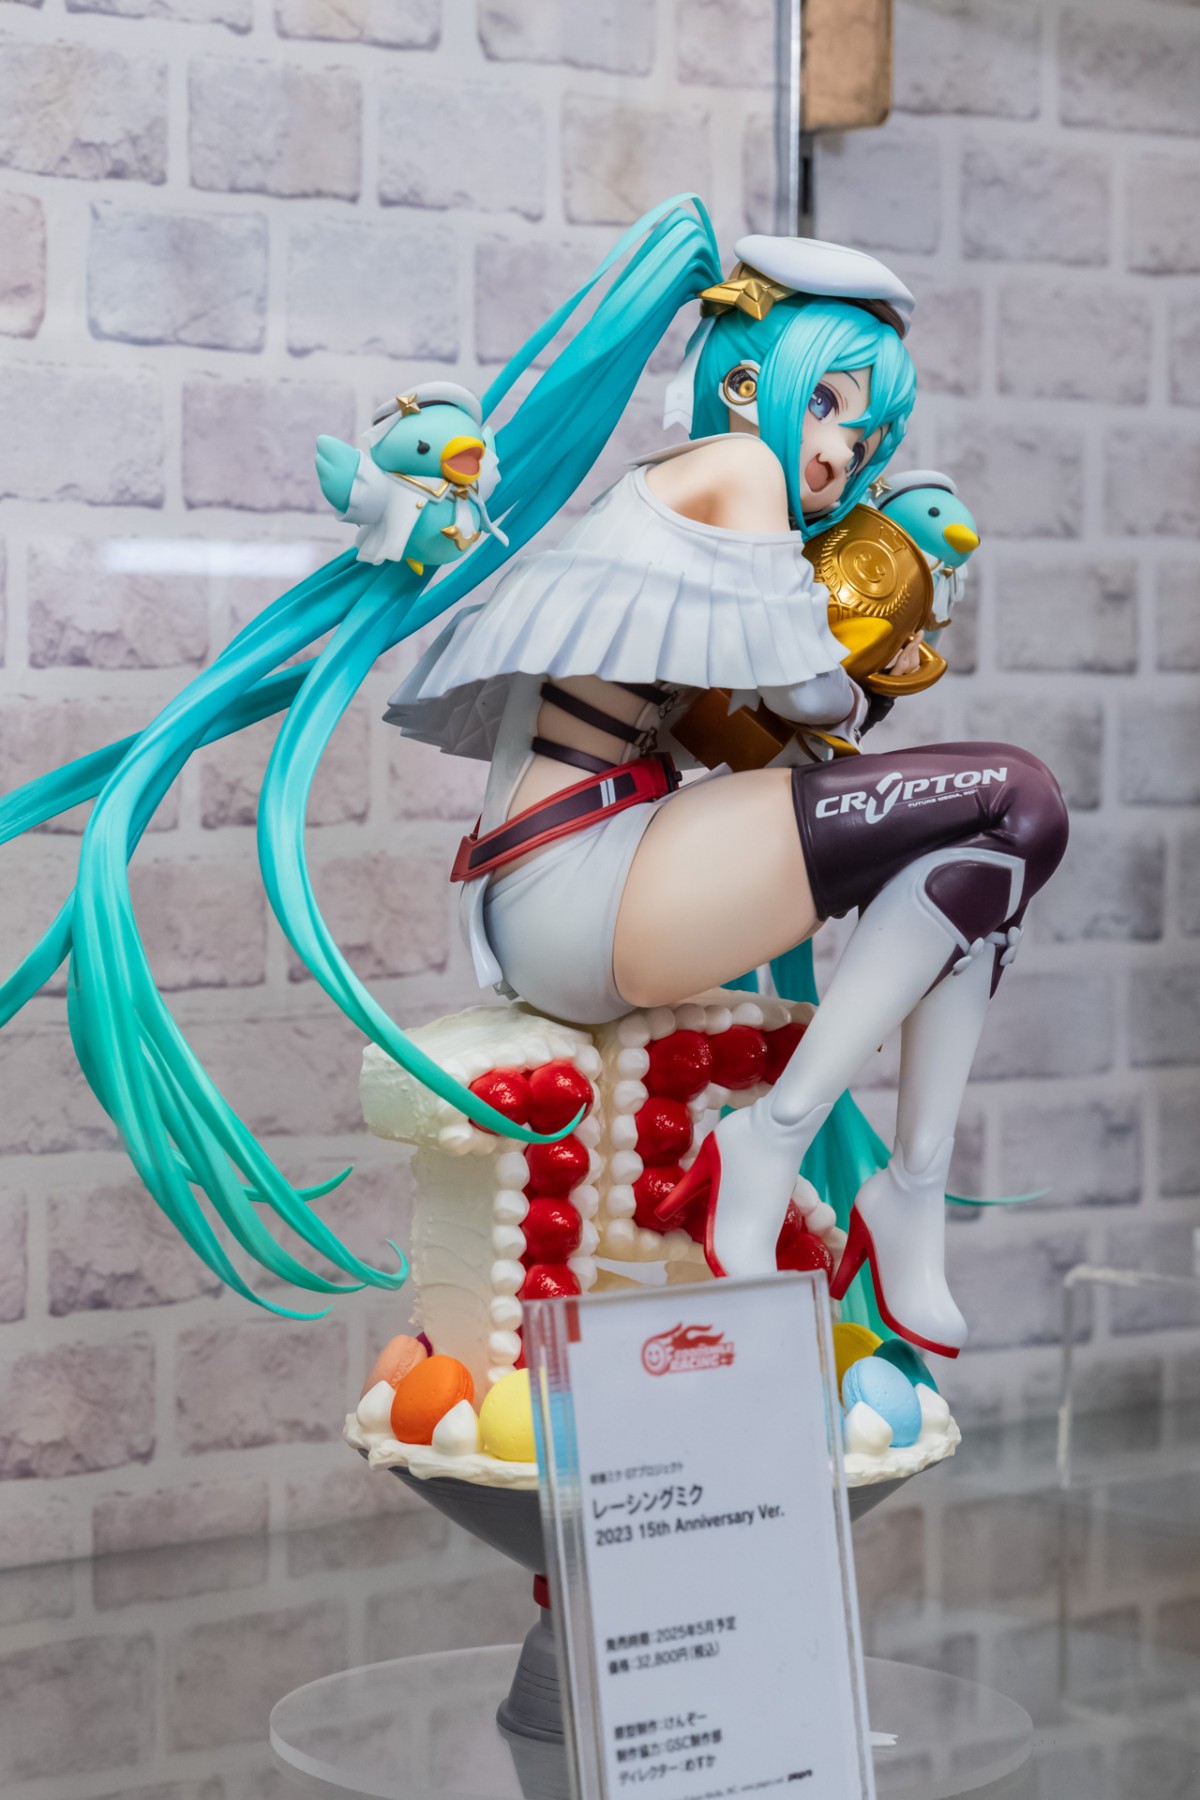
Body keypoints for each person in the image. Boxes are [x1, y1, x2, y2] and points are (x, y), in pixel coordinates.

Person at [0, 198, 1067, 1352]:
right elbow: (807, 695)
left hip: (602, 865)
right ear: (746, 384)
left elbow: (743, 735)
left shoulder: (677, 519)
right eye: (827, 406)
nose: (840, 454)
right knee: (1014, 801)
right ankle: (789, 1153)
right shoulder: (731, 475)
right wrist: (861, 670)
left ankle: (900, 1189)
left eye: (865, 438)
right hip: (581, 883)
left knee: (995, 843)